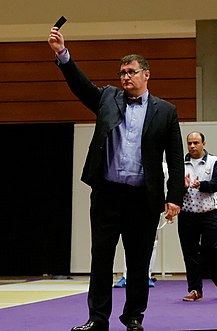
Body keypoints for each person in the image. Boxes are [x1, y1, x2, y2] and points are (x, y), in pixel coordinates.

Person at [48, 27, 184, 331]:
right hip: (107, 194)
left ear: (146, 74)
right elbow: (81, 86)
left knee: (138, 263)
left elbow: (175, 158)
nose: (125, 77)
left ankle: (134, 317)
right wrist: (62, 53)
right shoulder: (108, 98)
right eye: (122, 72)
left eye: (132, 72)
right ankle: (97, 319)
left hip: (143, 198)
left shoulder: (166, 111)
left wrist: (174, 197)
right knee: (101, 260)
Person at [178, 131, 217, 302]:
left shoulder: (214, 161)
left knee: (215, 250)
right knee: (190, 252)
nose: (192, 146)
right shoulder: (181, 164)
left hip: (209, 213)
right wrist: (183, 186)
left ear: (204, 143)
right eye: (189, 143)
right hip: (188, 214)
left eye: (196, 142)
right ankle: (195, 290)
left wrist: (201, 185)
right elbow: (172, 187)